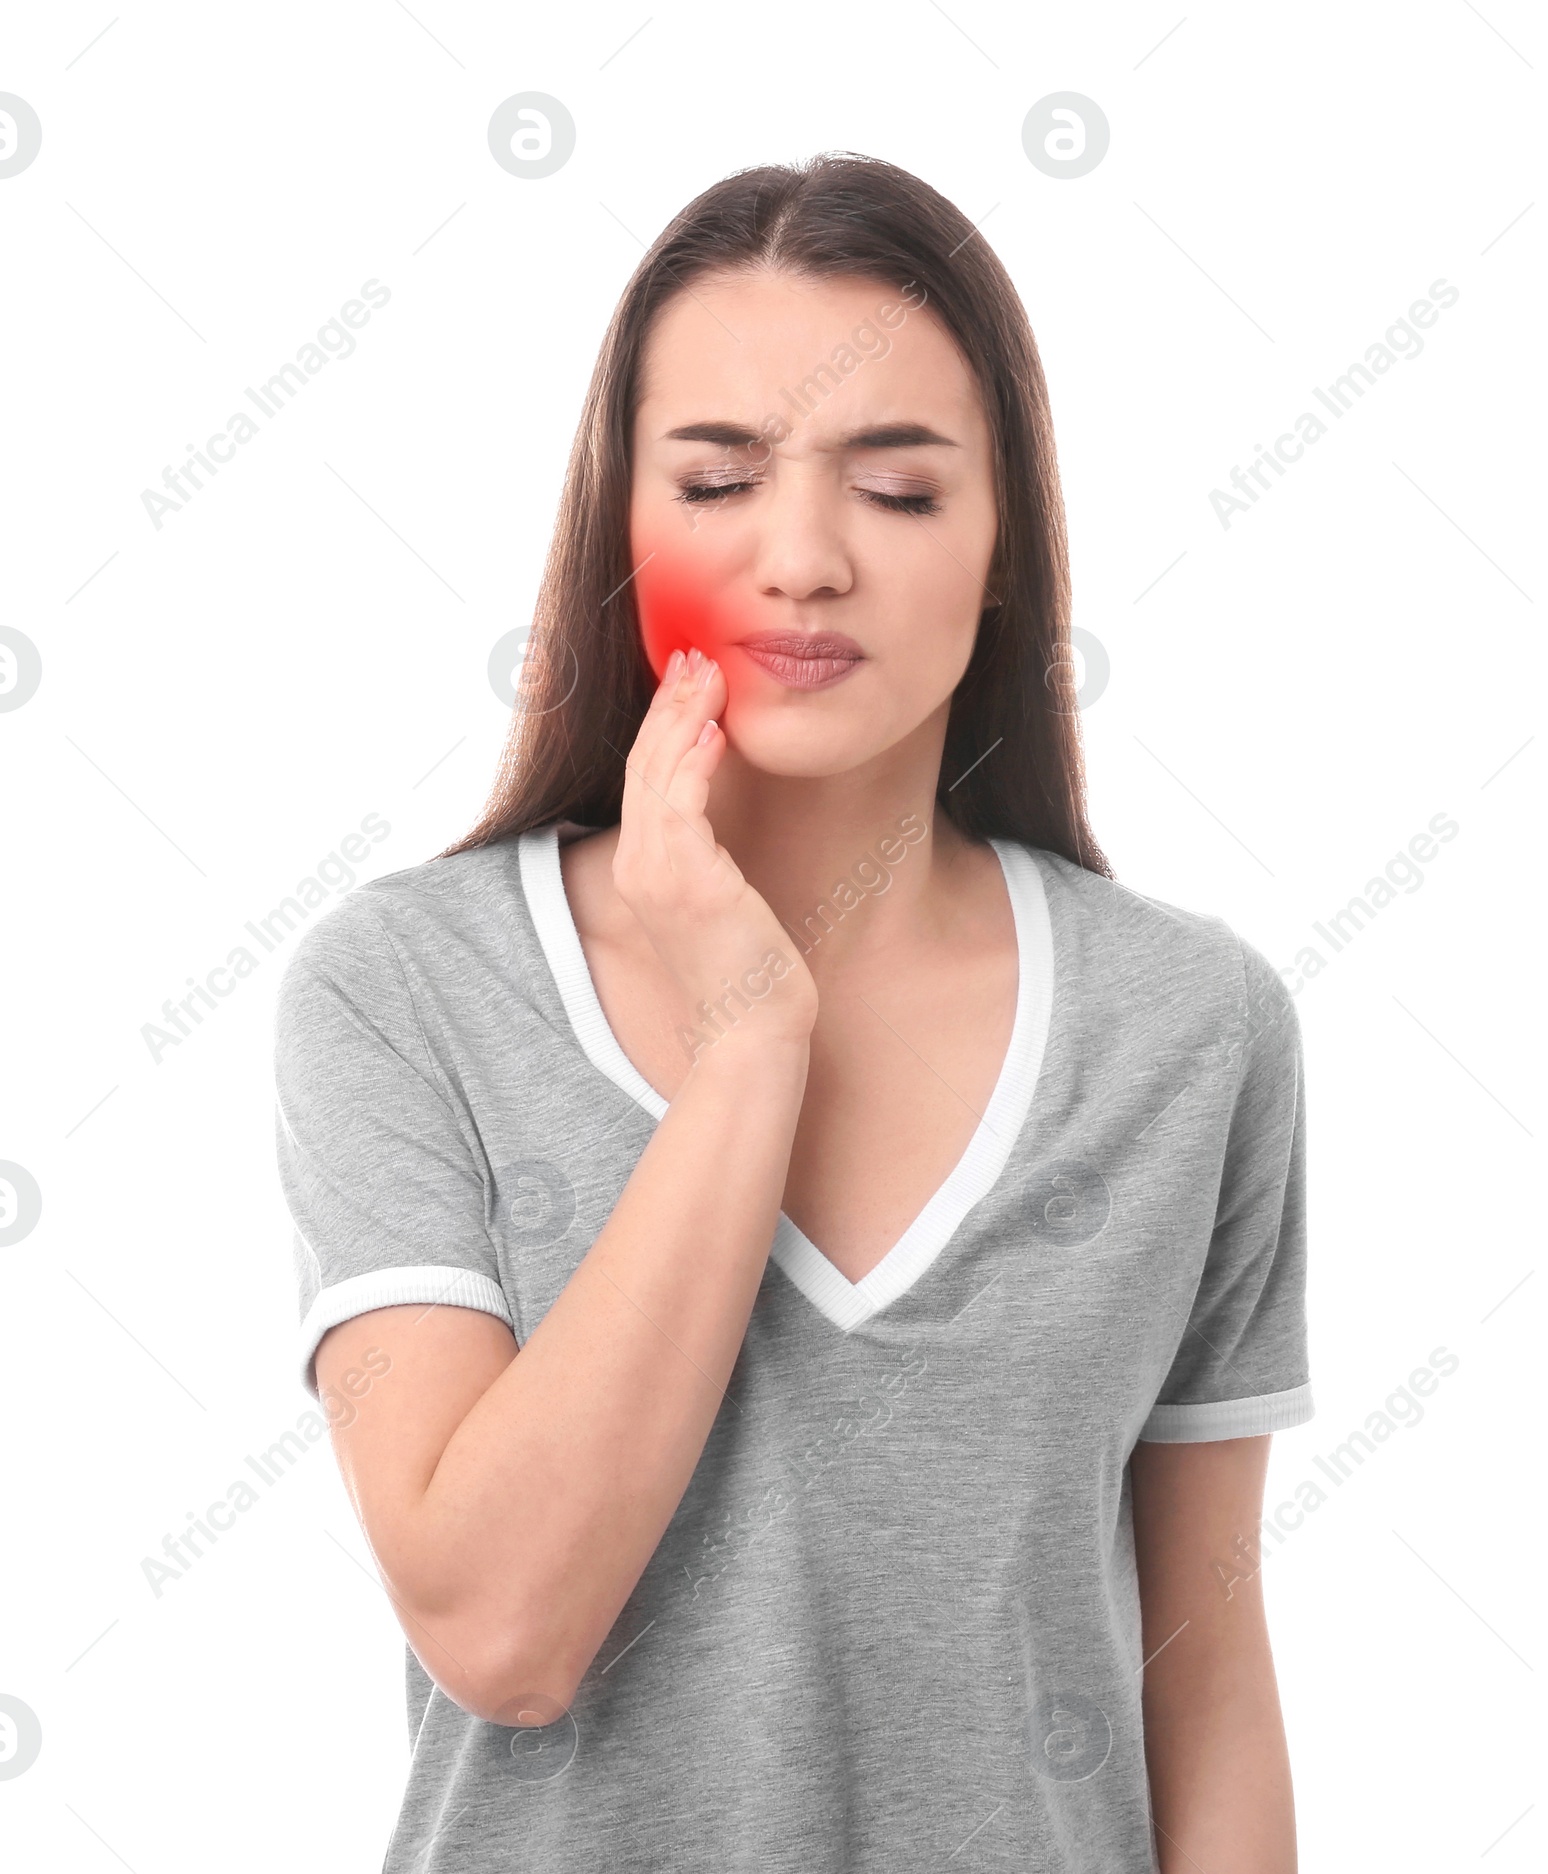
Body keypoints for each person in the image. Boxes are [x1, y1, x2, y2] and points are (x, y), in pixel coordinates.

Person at [273, 152, 1313, 1873]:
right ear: (625, 524)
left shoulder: (1192, 1027)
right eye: (718, 479)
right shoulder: (405, 992)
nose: (805, 558)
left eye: (899, 491)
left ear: (999, 551)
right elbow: (500, 1630)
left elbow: (1203, 1679)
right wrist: (751, 1036)